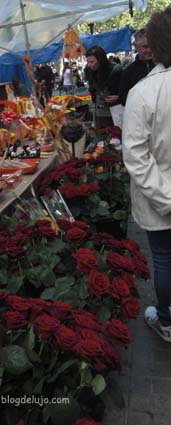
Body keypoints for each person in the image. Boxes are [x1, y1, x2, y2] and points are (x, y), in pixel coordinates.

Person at [122, 7, 171, 342]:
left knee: (165, 259)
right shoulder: (145, 89)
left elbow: (137, 157)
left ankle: (166, 320)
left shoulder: (144, 92)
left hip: (160, 199)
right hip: (163, 196)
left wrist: (167, 198)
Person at [84, 45, 123, 126]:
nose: (89, 65)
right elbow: (92, 90)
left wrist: (119, 97)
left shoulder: (116, 70)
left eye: (92, 62)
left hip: (117, 110)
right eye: (88, 62)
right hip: (100, 111)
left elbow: (125, 90)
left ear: (100, 60)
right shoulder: (89, 71)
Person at [118, 29, 154, 106]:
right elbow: (123, 99)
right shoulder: (129, 72)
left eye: (153, 46)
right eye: (146, 47)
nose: (150, 50)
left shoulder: (164, 65)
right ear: (136, 47)